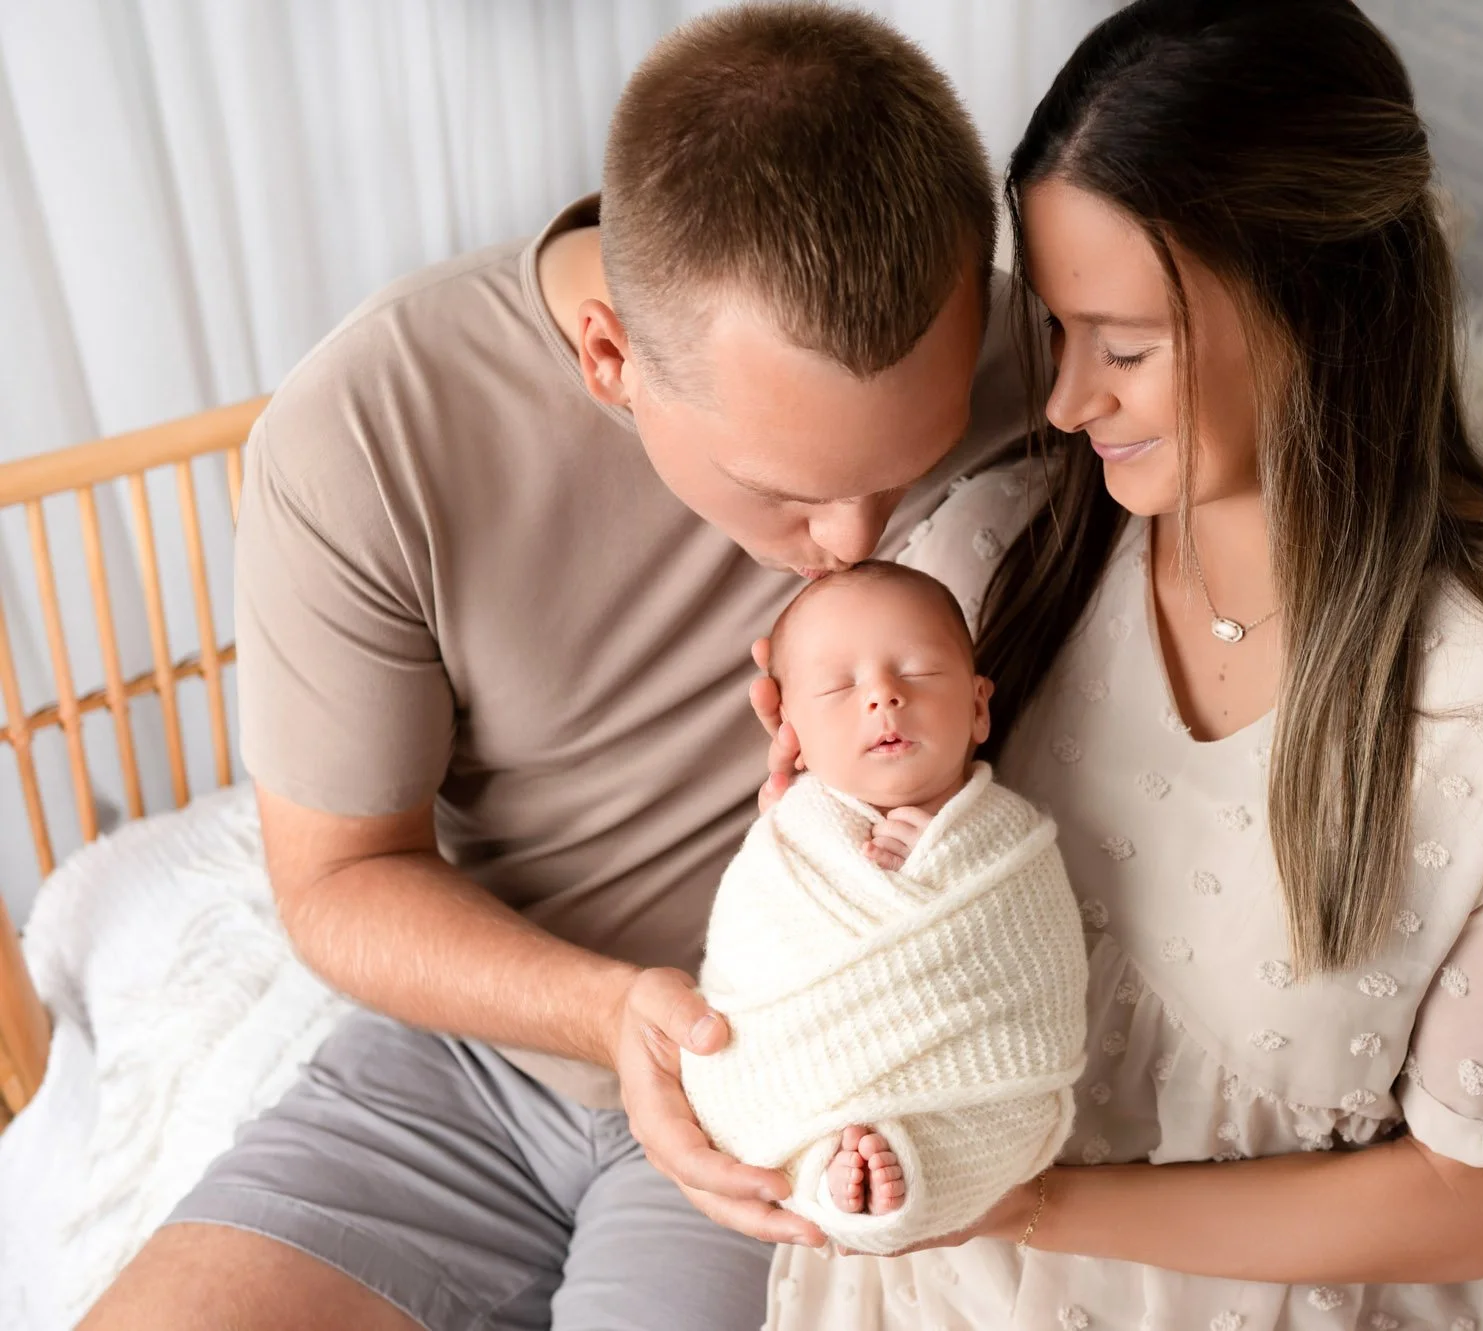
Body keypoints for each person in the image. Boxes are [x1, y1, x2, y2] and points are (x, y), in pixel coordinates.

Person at [80, 6, 1026, 1330]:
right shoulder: (372, 426)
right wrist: (611, 1011)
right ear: (607, 357)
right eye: (788, 491)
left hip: (790, 1085)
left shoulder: (1029, 350)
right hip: (470, 1058)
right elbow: (339, 878)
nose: (854, 542)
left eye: (905, 468)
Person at [750, 2, 1483, 1326]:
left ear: (1318, 300)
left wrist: (1022, 1201)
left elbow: (1481, 1201)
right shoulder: (989, 562)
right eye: (1057, 332)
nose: (1067, 400)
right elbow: (806, 954)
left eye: (1125, 346)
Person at [681, 561, 1088, 1255]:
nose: (883, 696)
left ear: (979, 707)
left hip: (976, 1093)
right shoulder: (791, 840)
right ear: (793, 735)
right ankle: (830, 1172)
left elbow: (1036, 965)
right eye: (839, 687)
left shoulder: (1008, 839)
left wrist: (950, 853)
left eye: (919, 671)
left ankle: (889, 1171)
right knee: (786, 1118)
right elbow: (749, 965)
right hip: (810, 1081)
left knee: (984, 1123)